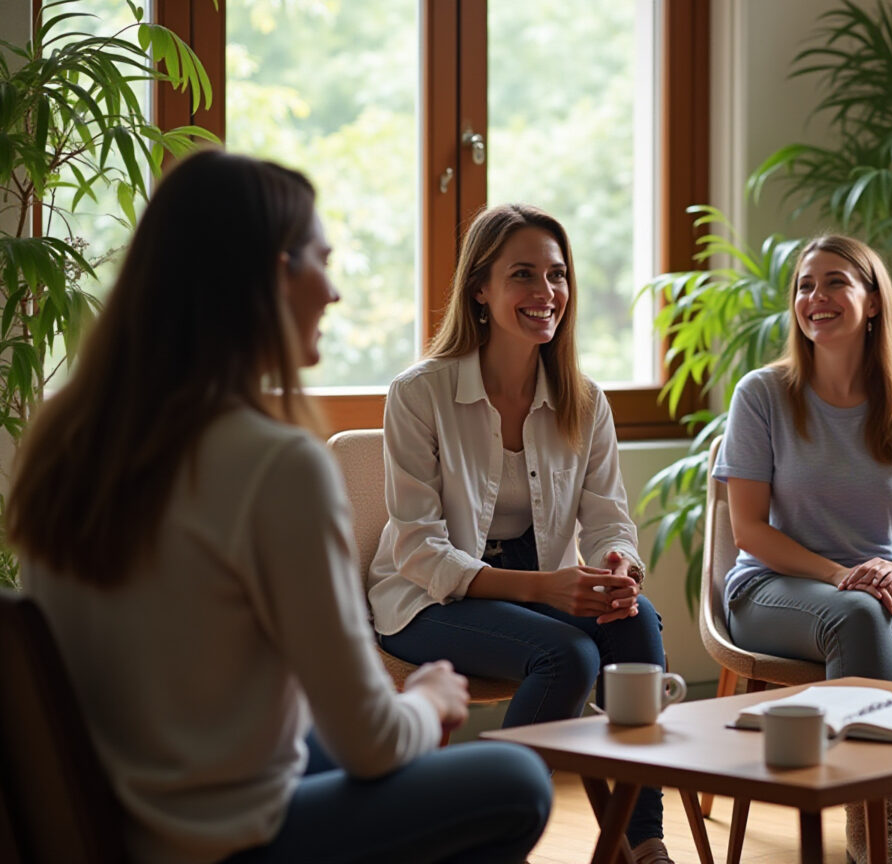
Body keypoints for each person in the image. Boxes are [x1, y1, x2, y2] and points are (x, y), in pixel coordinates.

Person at [7, 150, 551, 864]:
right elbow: (374, 740)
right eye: (320, 263)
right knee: (518, 779)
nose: (332, 293)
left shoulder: (65, 434)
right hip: (223, 843)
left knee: (318, 739)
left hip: (111, 821)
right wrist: (430, 699)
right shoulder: (275, 464)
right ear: (271, 274)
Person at [367, 203, 673, 862]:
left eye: (557, 275)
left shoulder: (584, 400)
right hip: (427, 600)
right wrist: (546, 588)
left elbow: (609, 514)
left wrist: (618, 564)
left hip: (537, 589)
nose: (546, 294)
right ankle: (487, 845)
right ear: (480, 288)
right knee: (566, 654)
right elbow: (417, 547)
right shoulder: (418, 395)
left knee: (636, 619)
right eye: (524, 275)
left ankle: (645, 843)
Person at [712, 234, 892, 864]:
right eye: (805, 286)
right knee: (857, 616)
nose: (816, 298)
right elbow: (748, 531)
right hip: (776, 587)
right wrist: (843, 577)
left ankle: (889, 800)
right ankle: (878, 829)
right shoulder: (762, 395)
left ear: (873, 302)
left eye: (835, 282)